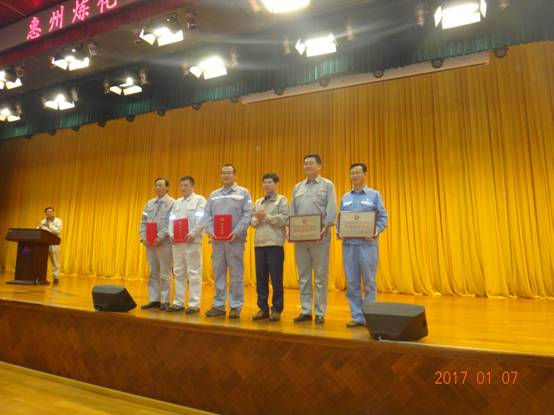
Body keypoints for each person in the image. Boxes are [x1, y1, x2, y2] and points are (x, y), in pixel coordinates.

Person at [339, 163, 388, 328]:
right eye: (352, 173)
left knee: (369, 282)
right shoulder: (345, 198)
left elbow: (383, 218)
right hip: (349, 246)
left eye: (358, 172)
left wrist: (374, 231)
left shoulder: (374, 195)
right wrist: (340, 231)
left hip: (368, 246)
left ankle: (370, 317)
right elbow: (340, 220)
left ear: (365, 174)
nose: (354, 176)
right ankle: (357, 317)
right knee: (352, 283)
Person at [290, 154, 337, 324]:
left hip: (320, 237)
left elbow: (331, 207)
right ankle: (305, 310)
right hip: (301, 239)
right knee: (303, 276)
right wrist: (292, 229)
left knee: (320, 276)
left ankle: (319, 312)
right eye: (305, 163)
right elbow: (292, 211)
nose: (307, 166)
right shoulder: (297, 187)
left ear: (319, 166)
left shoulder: (327, 185)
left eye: (311, 163)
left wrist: (326, 225)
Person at [203, 164, 252, 319]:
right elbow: (206, 215)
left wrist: (236, 232)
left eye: (229, 173)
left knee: (236, 273)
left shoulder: (243, 193)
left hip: (235, 240)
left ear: (234, 175)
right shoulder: (213, 195)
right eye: (223, 173)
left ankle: (236, 306)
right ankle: (218, 305)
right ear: (220, 175)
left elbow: (247, 215)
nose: (226, 175)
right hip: (217, 241)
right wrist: (211, 232)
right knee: (218, 272)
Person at [251, 173, 289, 322]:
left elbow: (284, 219)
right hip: (259, 244)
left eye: (270, 182)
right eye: (265, 182)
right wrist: (257, 218)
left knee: (276, 279)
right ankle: (263, 308)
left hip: (275, 244)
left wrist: (266, 217)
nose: (266, 185)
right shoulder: (258, 201)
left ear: (276, 184)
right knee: (261, 279)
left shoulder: (282, 200)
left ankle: (277, 309)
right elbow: (252, 222)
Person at [166, 176, 207, 313]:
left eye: (186, 185)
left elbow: (202, 219)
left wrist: (193, 233)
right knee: (178, 271)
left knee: (194, 272)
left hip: (192, 242)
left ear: (192, 186)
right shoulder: (177, 202)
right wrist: (171, 233)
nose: (183, 188)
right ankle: (178, 302)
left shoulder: (199, 200)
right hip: (177, 243)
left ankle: (194, 304)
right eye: (181, 185)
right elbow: (171, 219)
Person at [140, 178, 175, 311]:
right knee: (152, 272)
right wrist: (143, 237)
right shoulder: (149, 203)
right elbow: (143, 221)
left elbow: (170, 223)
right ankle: (154, 299)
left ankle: (165, 301)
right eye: (156, 185)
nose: (158, 187)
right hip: (150, 244)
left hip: (164, 243)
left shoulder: (173, 203)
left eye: (161, 185)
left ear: (167, 187)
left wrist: (159, 237)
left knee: (165, 272)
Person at [38, 207, 63, 285]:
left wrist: (49, 225)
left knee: (55, 261)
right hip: (44, 244)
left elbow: (58, 231)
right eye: (48, 212)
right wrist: (40, 227)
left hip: (54, 243)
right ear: (45, 213)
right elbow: (38, 230)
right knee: (42, 261)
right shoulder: (43, 221)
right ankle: (41, 277)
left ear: (53, 212)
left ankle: (56, 278)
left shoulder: (58, 221)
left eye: (51, 211)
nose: (49, 213)